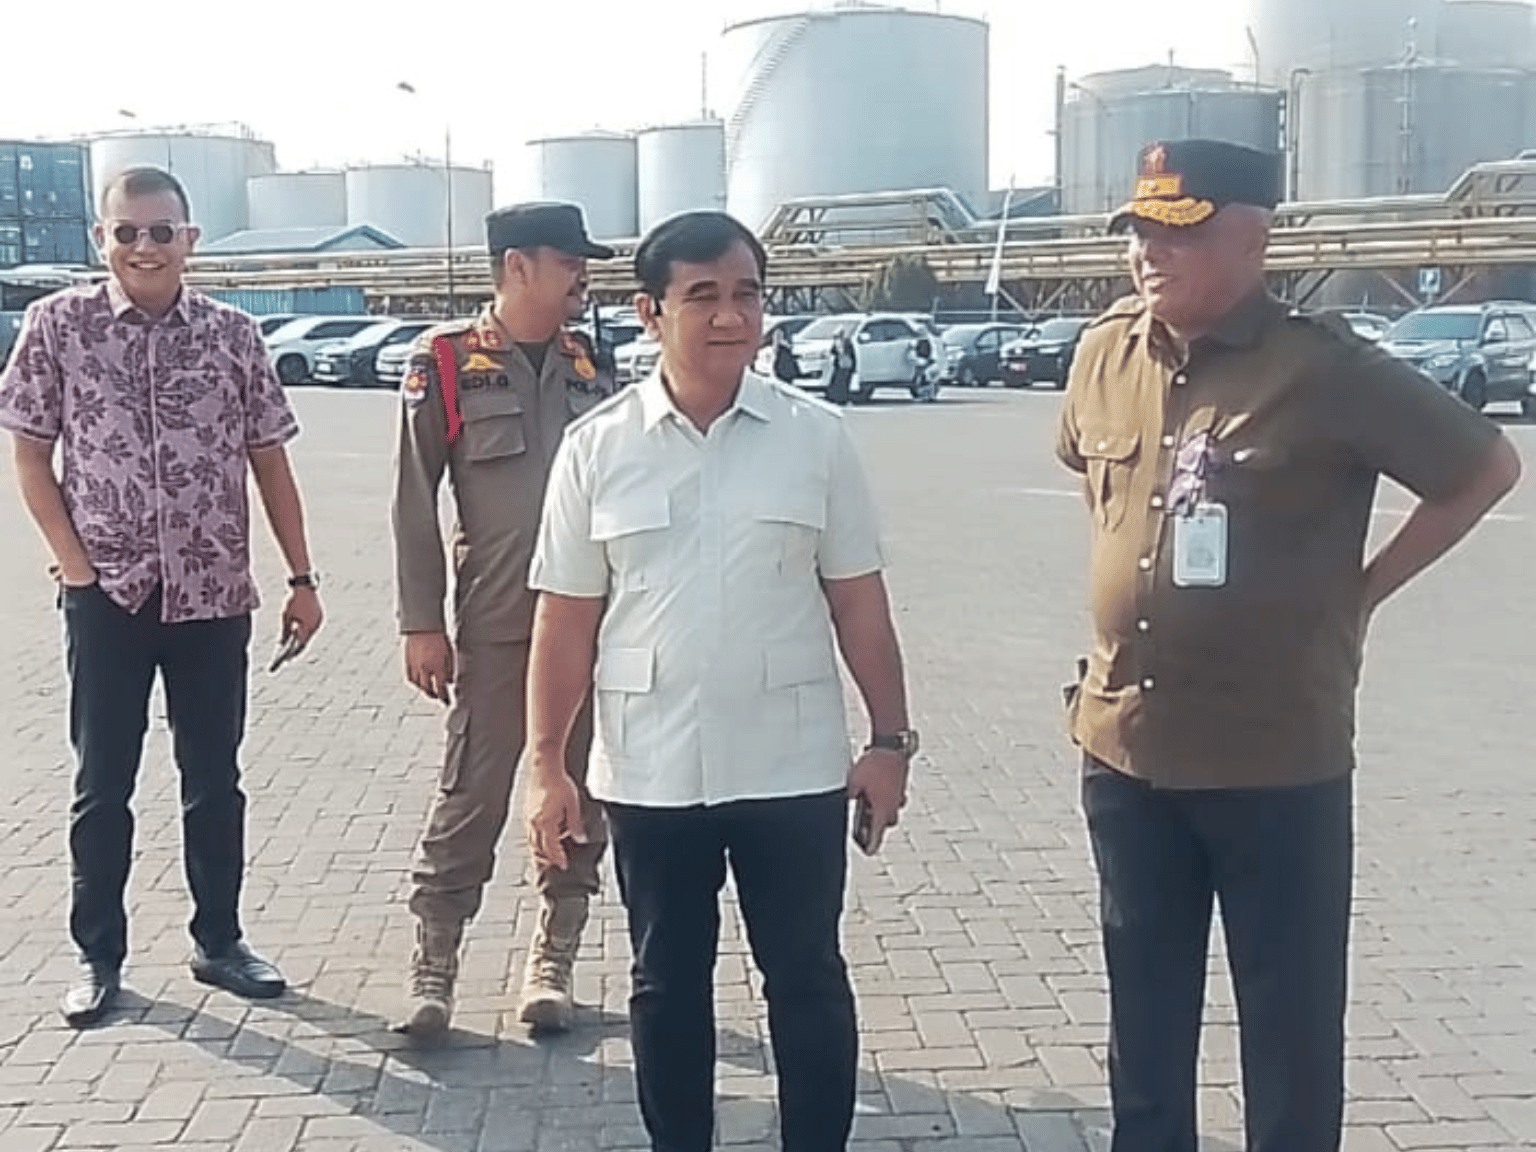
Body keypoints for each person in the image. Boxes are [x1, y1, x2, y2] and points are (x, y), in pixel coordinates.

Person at [1057, 139, 1522, 1152]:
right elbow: (1095, 486)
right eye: (1137, 231)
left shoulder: (1324, 368)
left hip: (1274, 757)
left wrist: (1361, 594)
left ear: (1252, 238)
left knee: (1291, 1033)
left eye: (1176, 232)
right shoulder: (1105, 353)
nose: (1147, 252)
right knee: (1144, 1024)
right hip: (1128, 749)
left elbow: (1484, 469)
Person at [523, 210, 915, 1152]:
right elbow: (564, 619)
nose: (730, 316)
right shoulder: (598, 447)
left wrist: (890, 742)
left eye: (747, 294)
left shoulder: (816, 438)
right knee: (666, 984)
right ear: (649, 312)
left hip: (792, 765)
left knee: (807, 979)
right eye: (702, 296)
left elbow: (859, 603)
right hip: (652, 769)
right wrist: (546, 765)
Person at [0, 166, 326, 1029]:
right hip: (107, 594)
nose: (143, 247)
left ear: (190, 239)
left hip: (212, 593)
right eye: (127, 232)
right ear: (101, 238)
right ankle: (98, 956)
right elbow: (29, 453)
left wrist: (302, 577)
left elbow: (270, 460)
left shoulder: (233, 335)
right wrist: (75, 567)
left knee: (214, 780)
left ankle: (220, 941)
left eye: (160, 231)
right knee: (102, 784)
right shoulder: (58, 325)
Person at [392, 201, 616, 1038]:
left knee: (580, 794)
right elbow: (414, 499)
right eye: (569, 260)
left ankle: (553, 959)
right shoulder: (447, 362)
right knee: (471, 797)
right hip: (496, 624)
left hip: (590, 626)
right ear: (518, 266)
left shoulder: (589, 364)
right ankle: (435, 965)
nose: (582, 276)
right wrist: (421, 621)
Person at [826, 327, 857, 405]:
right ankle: (838, 398)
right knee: (839, 383)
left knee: (843, 383)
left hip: (845, 365)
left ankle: (842, 399)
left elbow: (851, 354)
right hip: (842, 365)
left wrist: (853, 366)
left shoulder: (846, 342)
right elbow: (833, 351)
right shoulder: (841, 342)